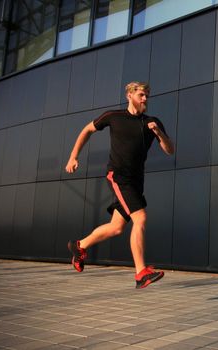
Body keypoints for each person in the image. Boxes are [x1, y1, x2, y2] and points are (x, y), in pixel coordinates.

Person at [65, 81, 174, 289]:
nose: (145, 99)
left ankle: (79, 246)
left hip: (136, 181)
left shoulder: (153, 122)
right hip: (118, 176)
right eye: (141, 95)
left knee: (116, 228)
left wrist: (159, 133)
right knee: (140, 218)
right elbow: (87, 130)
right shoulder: (113, 117)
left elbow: (170, 150)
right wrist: (73, 157)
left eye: (147, 96)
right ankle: (141, 272)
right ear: (129, 96)